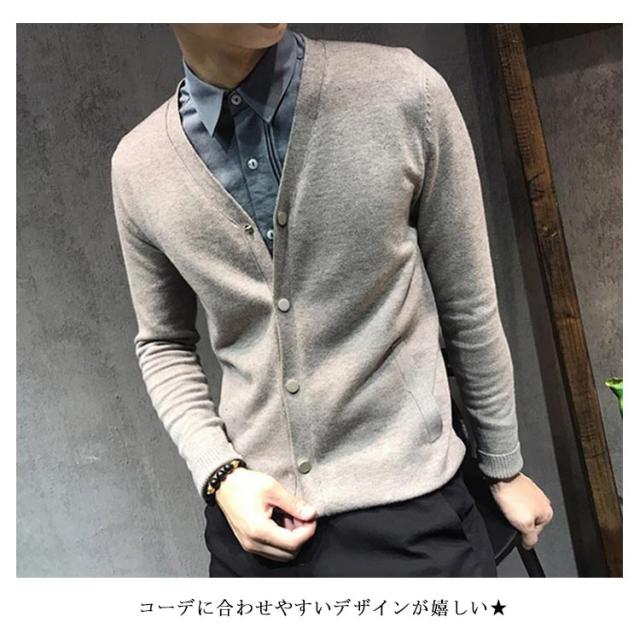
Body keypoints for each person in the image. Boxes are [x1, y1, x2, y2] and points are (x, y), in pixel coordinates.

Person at [110, 23, 554, 577]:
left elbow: (468, 303)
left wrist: (502, 465)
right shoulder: (138, 167)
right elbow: (164, 343)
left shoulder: (404, 92)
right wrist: (221, 474)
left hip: (417, 514)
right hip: (257, 529)